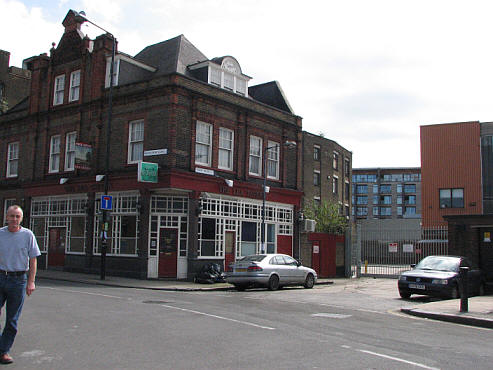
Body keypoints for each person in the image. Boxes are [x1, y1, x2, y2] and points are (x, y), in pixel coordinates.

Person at [0, 205, 41, 364]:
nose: (14, 219)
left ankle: (4, 351)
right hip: (1, 276)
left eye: (17, 216)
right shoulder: (0, 234)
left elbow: (33, 259)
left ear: (21, 219)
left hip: (18, 280)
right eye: (12, 216)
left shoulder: (27, 235)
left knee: (12, 319)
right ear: (6, 217)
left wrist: (31, 281)